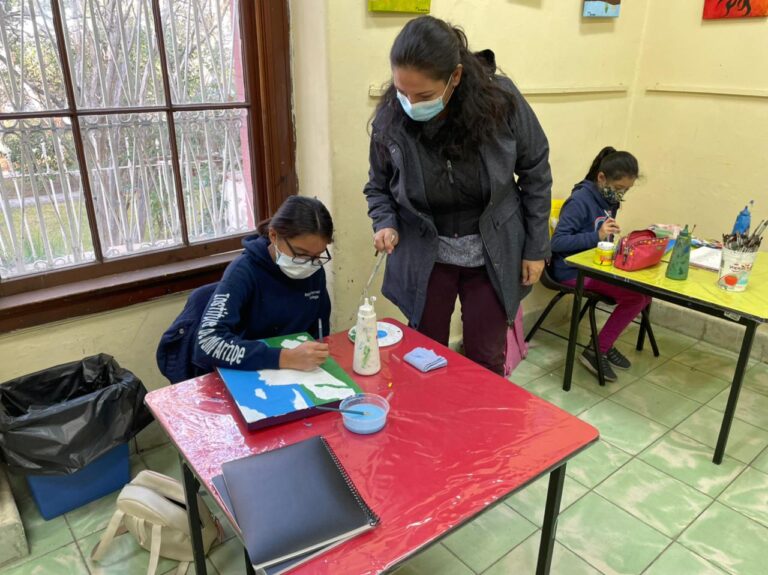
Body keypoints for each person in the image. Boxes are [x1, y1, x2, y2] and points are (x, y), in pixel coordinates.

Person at [363, 16, 552, 375]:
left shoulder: (502, 102)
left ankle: (482, 428)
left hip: (492, 252)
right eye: (402, 92)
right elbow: (378, 185)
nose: (410, 104)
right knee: (425, 354)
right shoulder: (391, 117)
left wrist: (536, 248)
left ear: (456, 77)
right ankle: (433, 427)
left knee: (485, 356)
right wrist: (384, 222)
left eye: (424, 96)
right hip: (427, 255)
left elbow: (536, 173)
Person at [191, 196, 333, 373]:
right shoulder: (243, 271)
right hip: (251, 370)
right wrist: (283, 358)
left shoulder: (313, 269)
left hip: (298, 372)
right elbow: (207, 343)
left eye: (317, 255)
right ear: (274, 236)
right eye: (300, 254)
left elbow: (320, 332)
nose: (308, 263)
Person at [550, 147, 651, 382]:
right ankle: (597, 350)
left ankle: (604, 341)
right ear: (601, 178)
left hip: (595, 265)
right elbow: (557, 242)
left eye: (626, 190)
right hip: (569, 270)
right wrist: (597, 236)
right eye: (618, 189)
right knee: (635, 298)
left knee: (645, 293)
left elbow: (603, 238)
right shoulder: (580, 201)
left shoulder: (608, 200)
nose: (620, 195)